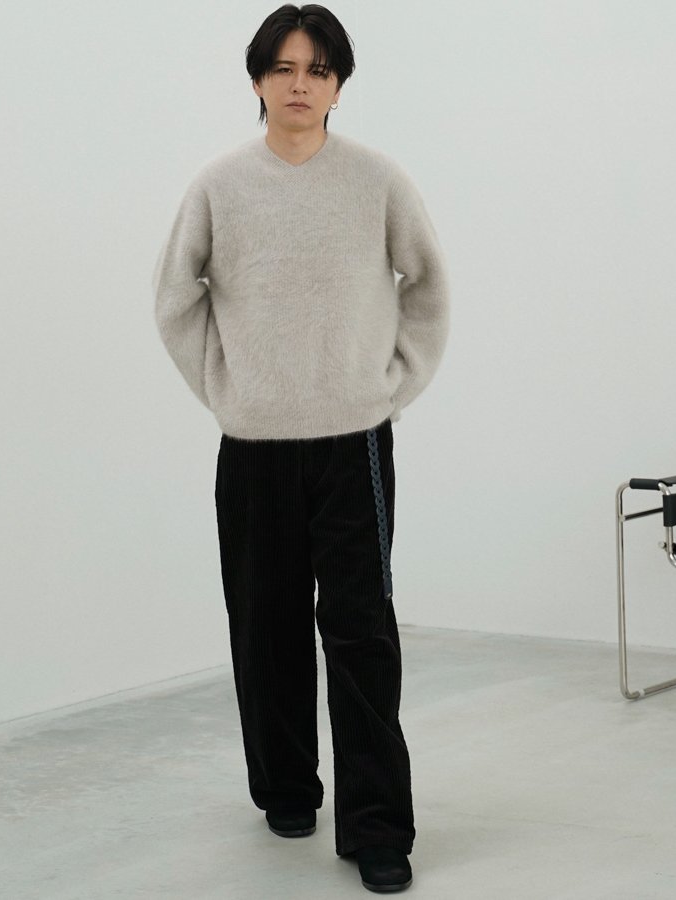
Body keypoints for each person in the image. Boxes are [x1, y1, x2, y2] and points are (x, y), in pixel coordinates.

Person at [152, 4, 450, 892]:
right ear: (257, 80)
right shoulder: (220, 184)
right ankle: (286, 788)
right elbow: (175, 299)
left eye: (318, 70)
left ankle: (377, 826)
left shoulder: (377, 180)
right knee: (265, 624)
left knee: (361, 632)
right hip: (254, 445)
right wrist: (227, 389)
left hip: (353, 442)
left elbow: (427, 286)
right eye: (283, 68)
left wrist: (391, 386)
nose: (300, 84)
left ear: (338, 85)